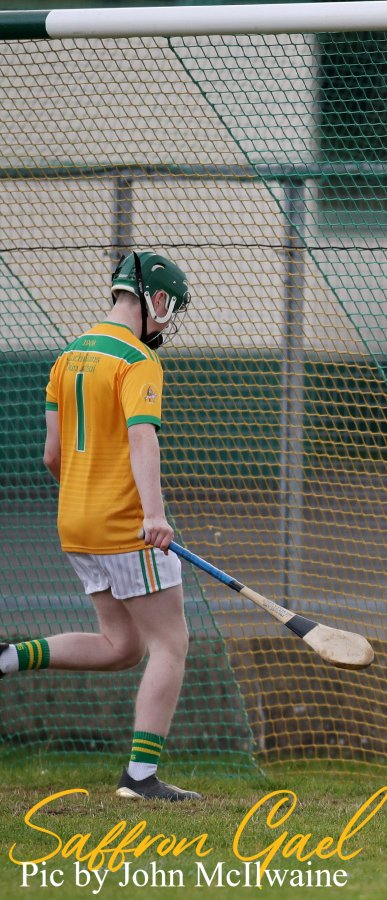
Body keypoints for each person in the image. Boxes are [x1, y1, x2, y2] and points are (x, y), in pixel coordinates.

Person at [0, 251, 200, 801]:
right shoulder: (137, 361)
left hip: (75, 522)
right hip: (125, 523)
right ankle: (140, 778)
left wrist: (89, 489)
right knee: (170, 643)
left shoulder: (68, 356)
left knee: (122, 645)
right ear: (155, 300)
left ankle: (6, 658)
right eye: (169, 308)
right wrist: (153, 514)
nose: (167, 320)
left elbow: (51, 454)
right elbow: (142, 438)